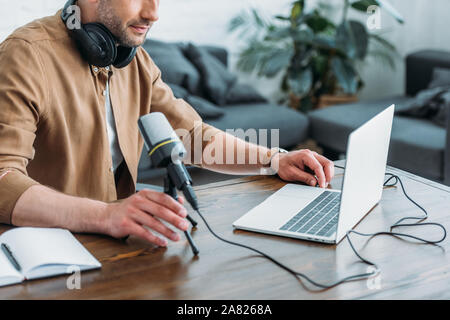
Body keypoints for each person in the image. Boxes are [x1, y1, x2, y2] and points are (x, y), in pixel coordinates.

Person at [0, 0, 334, 248]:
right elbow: (3, 179)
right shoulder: (25, 55)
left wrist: (274, 159)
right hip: (48, 251)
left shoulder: (132, 57)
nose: (153, 13)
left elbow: (191, 136)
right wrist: (106, 215)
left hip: (118, 244)